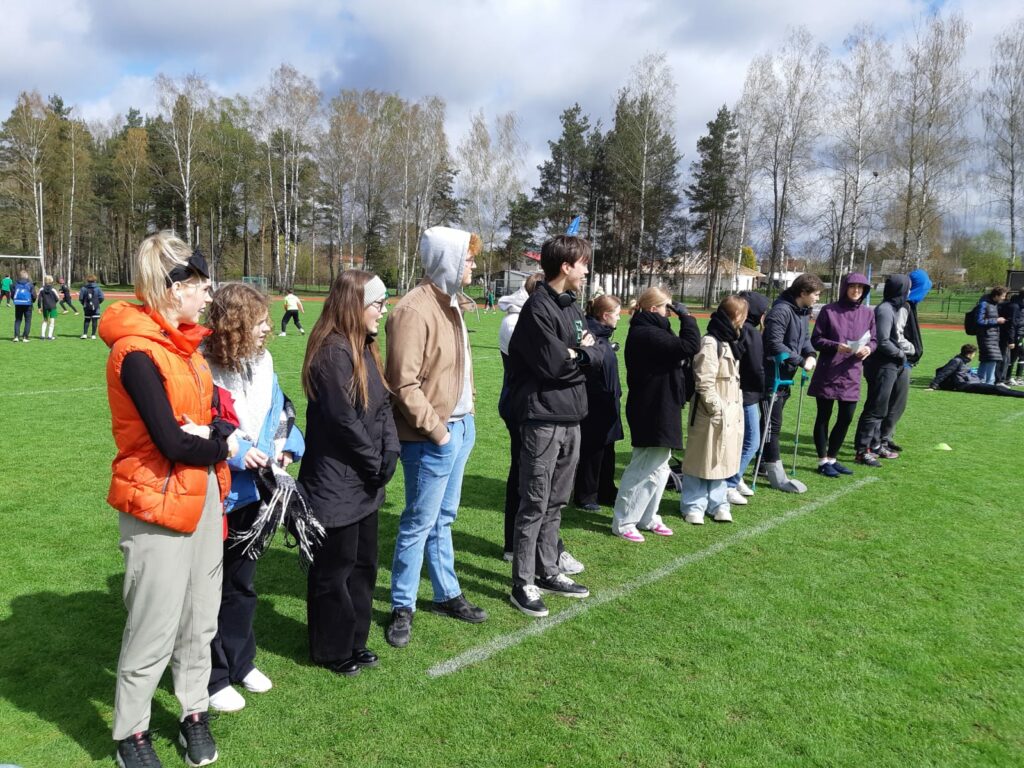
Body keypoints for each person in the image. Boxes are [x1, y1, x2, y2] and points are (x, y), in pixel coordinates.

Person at [101, 231, 238, 768]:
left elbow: (213, 418)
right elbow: (172, 442)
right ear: (174, 287)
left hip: (201, 493)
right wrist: (220, 443)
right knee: (153, 624)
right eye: (201, 286)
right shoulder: (136, 353)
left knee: (201, 617)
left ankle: (193, 711)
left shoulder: (188, 350)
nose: (207, 296)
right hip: (157, 501)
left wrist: (214, 433)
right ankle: (131, 734)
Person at [203, 283, 306, 712]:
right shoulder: (204, 365)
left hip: (256, 493)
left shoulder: (263, 362)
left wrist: (287, 446)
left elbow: (281, 409)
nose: (267, 328)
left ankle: (241, 661)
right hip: (218, 493)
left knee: (242, 584)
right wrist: (239, 452)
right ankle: (213, 677)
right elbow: (204, 423)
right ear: (235, 324)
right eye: (259, 321)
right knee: (208, 590)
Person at [384, 226, 487, 648]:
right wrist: (439, 432)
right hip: (431, 437)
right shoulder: (413, 310)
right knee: (418, 522)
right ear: (448, 260)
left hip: (460, 428)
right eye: (468, 258)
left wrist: (466, 415)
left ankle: (446, 593)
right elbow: (402, 383)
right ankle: (402, 605)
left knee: (443, 518)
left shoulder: (453, 303)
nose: (473, 265)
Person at [300, 270, 398, 675]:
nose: (383, 311)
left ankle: (355, 640)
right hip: (335, 484)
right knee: (334, 570)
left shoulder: (365, 346)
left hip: (363, 482)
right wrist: (374, 461)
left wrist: (390, 449)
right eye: (377, 304)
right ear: (355, 305)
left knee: (363, 565)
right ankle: (331, 648)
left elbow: (383, 404)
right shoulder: (331, 352)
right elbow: (342, 420)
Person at [506, 235, 605, 617]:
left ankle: (548, 570)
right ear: (566, 266)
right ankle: (523, 582)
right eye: (583, 264)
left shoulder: (572, 307)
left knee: (557, 501)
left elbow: (595, 353)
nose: (587, 271)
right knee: (534, 501)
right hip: (543, 419)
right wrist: (584, 354)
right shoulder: (538, 308)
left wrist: (582, 353)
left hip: (571, 417)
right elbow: (554, 365)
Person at [497, 272, 585, 573]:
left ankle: (546, 552)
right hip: (526, 407)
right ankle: (521, 553)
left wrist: (578, 353)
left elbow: (585, 352)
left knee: (546, 490)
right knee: (529, 485)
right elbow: (551, 364)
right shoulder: (517, 320)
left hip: (549, 405)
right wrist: (578, 353)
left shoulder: (557, 311)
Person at [610, 288, 700, 541]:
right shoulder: (646, 332)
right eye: (666, 308)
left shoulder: (655, 329)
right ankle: (624, 521)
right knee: (644, 465)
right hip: (651, 407)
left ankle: (647, 516)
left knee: (660, 465)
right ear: (653, 309)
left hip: (662, 403)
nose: (669, 312)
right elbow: (690, 346)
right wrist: (687, 318)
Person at [680, 296, 748, 524]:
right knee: (701, 458)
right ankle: (693, 505)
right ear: (736, 316)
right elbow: (704, 380)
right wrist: (715, 408)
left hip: (730, 412)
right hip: (710, 412)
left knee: (722, 460)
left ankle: (718, 503)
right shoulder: (711, 342)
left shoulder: (730, 341)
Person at [807, 273, 876, 478]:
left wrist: (869, 349)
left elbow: (874, 339)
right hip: (828, 371)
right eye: (853, 286)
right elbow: (816, 339)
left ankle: (833, 458)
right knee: (824, 416)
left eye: (860, 288)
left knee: (846, 417)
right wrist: (836, 346)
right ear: (845, 288)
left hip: (852, 372)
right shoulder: (829, 310)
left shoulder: (868, 313)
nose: (856, 291)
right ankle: (822, 460)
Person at [760, 273, 822, 493]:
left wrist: (811, 354)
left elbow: (804, 339)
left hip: (786, 377)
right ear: (803, 293)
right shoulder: (781, 311)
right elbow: (774, 343)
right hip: (770, 376)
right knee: (772, 425)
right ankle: (775, 472)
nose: (817, 298)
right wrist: (800, 361)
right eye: (815, 294)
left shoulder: (802, 312)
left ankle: (761, 462)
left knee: (769, 423)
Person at [574, 294, 624, 512]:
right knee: (592, 450)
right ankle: (585, 494)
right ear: (605, 315)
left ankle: (606, 490)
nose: (619, 318)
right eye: (617, 314)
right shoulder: (591, 335)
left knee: (607, 448)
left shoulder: (602, 335)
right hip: (595, 401)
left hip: (607, 400)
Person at [854, 275, 911, 467]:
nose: (909, 292)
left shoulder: (892, 308)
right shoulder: (885, 310)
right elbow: (883, 340)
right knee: (875, 408)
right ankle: (862, 450)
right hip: (881, 365)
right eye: (907, 288)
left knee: (882, 408)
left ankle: (875, 445)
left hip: (889, 365)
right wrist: (901, 354)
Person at [725, 291, 769, 506]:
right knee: (752, 441)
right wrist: (763, 388)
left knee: (741, 440)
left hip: (738, 391)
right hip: (747, 394)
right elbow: (755, 367)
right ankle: (729, 484)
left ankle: (737, 477)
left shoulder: (740, 329)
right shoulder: (751, 333)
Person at [929, 344, 1024, 398]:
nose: (974, 356)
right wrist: (933, 385)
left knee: (997, 388)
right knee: (997, 389)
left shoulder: (963, 361)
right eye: (974, 354)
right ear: (969, 354)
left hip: (971, 383)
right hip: (965, 385)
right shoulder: (956, 361)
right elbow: (944, 372)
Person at [974, 286, 1008, 385]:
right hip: (985, 336)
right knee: (992, 358)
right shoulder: (984, 304)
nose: (1004, 298)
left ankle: (980, 381)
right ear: (996, 295)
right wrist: (996, 320)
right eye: (1003, 296)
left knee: (985, 359)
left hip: (993, 336)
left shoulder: (995, 305)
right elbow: (979, 321)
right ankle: (989, 383)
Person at [996, 289, 1022, 385]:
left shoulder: (1014, 306)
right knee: (1005, 357)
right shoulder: (1014, 307)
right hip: (1009, 335)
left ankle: (1003, 379)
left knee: (1007, 357)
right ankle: (1001, 379)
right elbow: (1011, 324)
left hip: (1010, 334)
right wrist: (1011, 340)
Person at [11, 270, 36, 342]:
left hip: (18, 304)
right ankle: (25, 337)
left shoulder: (15, 284)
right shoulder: (30, 284)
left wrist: (16, 300)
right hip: (28, 304)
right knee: (28, 321)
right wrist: (32, 301)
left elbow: (13, 294)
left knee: (18, 320)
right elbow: (34, 295)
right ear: (26, 276)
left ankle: (16, 337)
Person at [80, 274, 104, 339]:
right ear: (95, 280)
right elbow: (101, 297)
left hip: (86, 306)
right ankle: (93, 335)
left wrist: (84, 304)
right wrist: (97, 303)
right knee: (94, 320)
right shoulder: (98, 288)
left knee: (87, 320)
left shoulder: (83, 288)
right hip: (96, 307)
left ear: (87, 280)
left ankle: (85, 334)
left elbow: (81, 298)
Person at [36, 275, 60, 340]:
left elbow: (39, 299)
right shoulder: (53, 289)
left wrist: (39, 307)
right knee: (52, 321)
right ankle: (50, 336)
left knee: (45, 320)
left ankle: (42, 336)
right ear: (51, 281)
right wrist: (53, 302)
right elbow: (57, 298)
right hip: (53, 307)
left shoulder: (41, 289)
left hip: (45, 307)